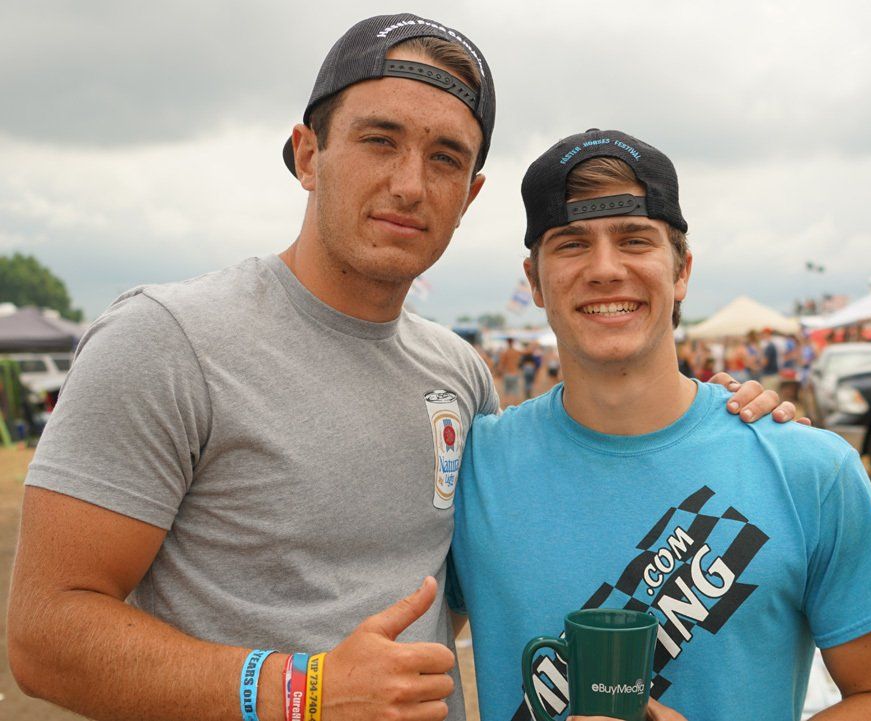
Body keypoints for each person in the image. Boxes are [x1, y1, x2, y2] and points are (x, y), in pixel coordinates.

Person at [6, 16, 797, 721]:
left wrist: (728, 421)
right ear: (308, 153)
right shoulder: (169, 338)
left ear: (471, 193)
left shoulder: (459, 372)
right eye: (379, 140)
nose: (410, 184)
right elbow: (45, 635)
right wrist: (305, 690)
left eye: (445, 157)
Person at [450, 129, 871, 721]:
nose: (605, 269)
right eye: (572, 244)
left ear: (681, 272)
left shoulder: (809, 468)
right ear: (534, 281)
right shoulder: (471, 471)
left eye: (634, 240)